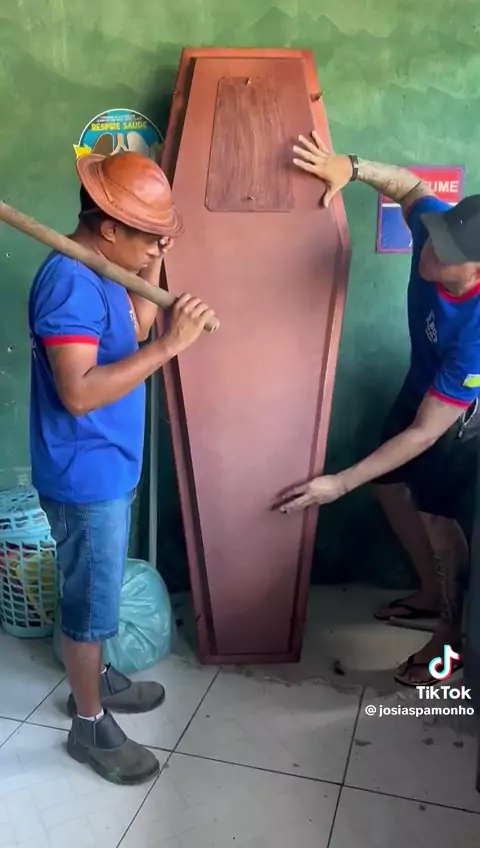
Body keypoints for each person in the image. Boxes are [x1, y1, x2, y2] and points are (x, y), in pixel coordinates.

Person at [29, 150, 216, 783]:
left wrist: (152, 260)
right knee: (88, 604)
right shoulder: (69, 282)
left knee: (98, 592)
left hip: (109, 464)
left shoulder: (107, 267)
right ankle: (88, 724)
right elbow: (78, 392)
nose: (157, 244)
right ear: (109, 227)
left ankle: (99, 675)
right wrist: (172, 347)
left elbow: (134, 329)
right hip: (84, 475)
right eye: (148, 234)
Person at [275, 132, 480, 686]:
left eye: (447, 253)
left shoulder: (476, 331)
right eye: (435, 238)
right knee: (389, 485)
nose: (429, 251)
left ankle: (449, 640)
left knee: (438, 517)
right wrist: (351, 166)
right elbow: (410, 186)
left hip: (457, 414)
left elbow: (425, 433)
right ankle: (429, 593)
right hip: (422, 382)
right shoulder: (436, 229)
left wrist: (338, 483)